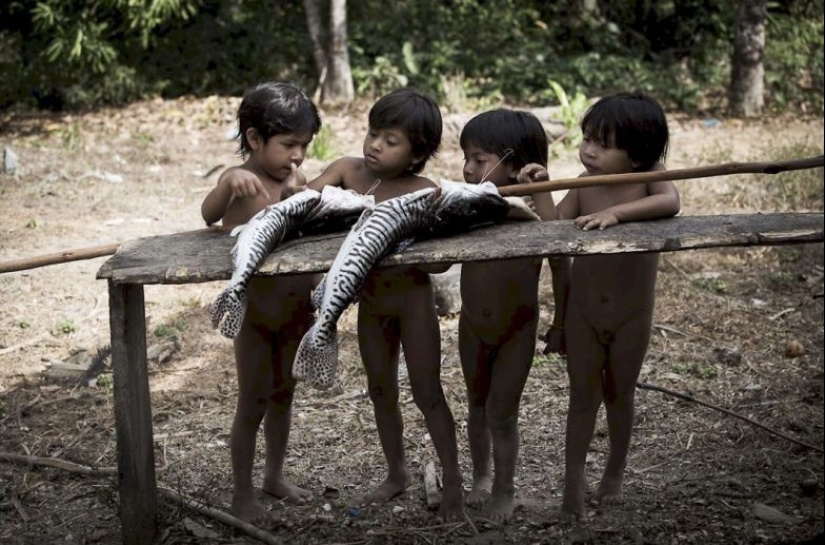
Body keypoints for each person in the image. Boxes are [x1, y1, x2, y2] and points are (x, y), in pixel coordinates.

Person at [303, 88, 464, 521]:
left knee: (428, 392)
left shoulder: (426, 190)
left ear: (416, 155)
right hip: (371, 304)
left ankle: (453, 480)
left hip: (412, 303)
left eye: (390, 141)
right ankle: (397, 474)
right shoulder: (346, 172)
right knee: (380, 391)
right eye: (373, 133)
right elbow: (302, 207)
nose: (375, 145)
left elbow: (442, 262)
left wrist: (426, 224)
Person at [519, 92, 681, 521]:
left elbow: (671, 202)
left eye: (603, 144)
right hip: (584, 316)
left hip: (632, 318)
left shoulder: (650, 178)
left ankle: (614, 471)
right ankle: (573, 482)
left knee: (620, 395)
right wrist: (540, 188)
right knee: (581, 398)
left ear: (637, 156)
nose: (588, 150)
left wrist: (619, 215)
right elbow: (553, 228)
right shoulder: (583, 185)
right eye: (587, 138)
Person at [200, 80, 322, 525]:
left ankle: (274, 476)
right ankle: (242, 493)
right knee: (253, 401)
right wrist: (228, 181)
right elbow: (208, 215)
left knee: (284, 395)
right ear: (254, 139)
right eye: (289, 144)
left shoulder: (297, 181)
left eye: (305, 145)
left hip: (297, 311)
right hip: (255, 316)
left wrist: (301, 196)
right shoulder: (241, 184)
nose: (298, 155)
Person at [457, 109, 561, 523]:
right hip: (471, 325)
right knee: (476, 405)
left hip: (517, 328)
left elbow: (556, 243)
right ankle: (481, 476)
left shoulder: (534, 207)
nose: (467, 169)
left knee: (502, 411)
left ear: (515, 163)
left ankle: (505, 489)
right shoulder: (472, 204)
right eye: (465, 157)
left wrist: (544, 188)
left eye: (479, 160)